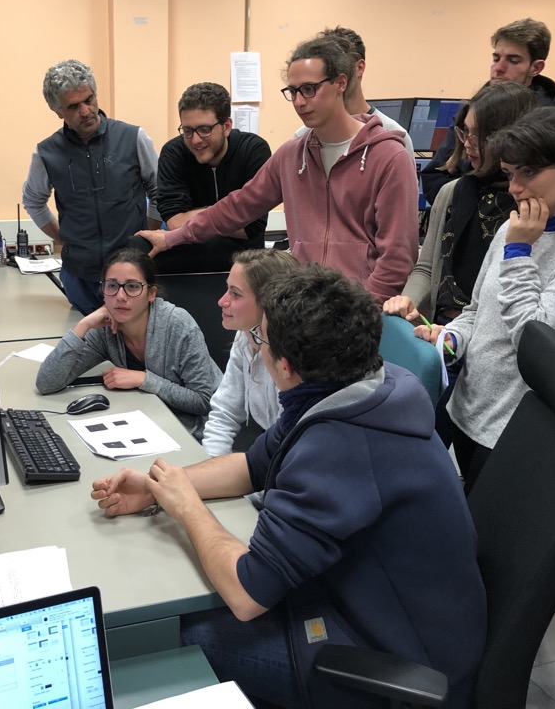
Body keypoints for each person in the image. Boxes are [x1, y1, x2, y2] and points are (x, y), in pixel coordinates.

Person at [90, 265, 486, 708]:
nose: (255, 350)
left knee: (168, 637)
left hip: (391, 657)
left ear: (284, 365)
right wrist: (160, 486)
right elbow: (254, 466)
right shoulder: (357, 384)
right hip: (369, 603)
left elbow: (246, 593)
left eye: (259, 340)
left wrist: (186, 508)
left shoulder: (340, 446)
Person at [417, 107, 555, 485]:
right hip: (467, 409)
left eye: (528, 173)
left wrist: (519, 252)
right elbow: (477, 312)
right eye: (510, 174)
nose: (515, 188)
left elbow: (535, 340)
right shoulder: (515, 228)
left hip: (518, 429)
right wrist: (450, 338)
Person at [137, 36, 417, 303]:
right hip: (305, 307)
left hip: (360, 317)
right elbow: (237, 207)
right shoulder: (292, 155)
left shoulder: (388, 156)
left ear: (340, 83)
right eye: (293, 91)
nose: (299, 102)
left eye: (309, 89)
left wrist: (359, 314)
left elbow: (396, 259)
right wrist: (173, 237)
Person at [383, 81, 537, 446]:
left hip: (494, 365)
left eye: (479, 135)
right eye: (464, 131)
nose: (467, 143)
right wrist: (407, 300)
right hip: (443, 342)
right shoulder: (454, 192)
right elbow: (426, 268)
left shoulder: (530, 211)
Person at [22, 59, 161, 315]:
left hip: (131, 273)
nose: (86, 111)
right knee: (87, 346)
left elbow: (159, 191)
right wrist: (62, 237)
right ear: (58, 111)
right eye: (73, 106)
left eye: (89, 99)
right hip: (80, 277)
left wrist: (146, 235)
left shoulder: (133, 138)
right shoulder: (46, 153)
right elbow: (33, 200)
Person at [35, 248, 221, 439]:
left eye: (132, 286)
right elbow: (46, 383)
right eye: (112, 286)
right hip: (149, 422)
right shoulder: (105, 331)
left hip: (198, 433)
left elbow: (204, 401)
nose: (120, 296)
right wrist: (84, 325)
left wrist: (143, 379)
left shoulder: (178, 325)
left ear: (151, 293)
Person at [421, 18, 555, 204]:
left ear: (536, 67)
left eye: (513, 60)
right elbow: (434, 178)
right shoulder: (471, 112)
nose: (498, 68)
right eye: (496, 58)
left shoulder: (551, 126)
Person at [154, 83, 272, 273]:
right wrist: (236, 214)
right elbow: (175, 222)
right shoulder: (173, 153)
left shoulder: (253, 151)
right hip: (192, 266)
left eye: (204, 129)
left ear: (226, 126)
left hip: (248, 268)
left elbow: (253, 226)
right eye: (187, 131)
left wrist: (192, 219)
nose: (195, 140)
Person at [200, 249, 299, 456]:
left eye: (235, 294)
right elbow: (223, 414)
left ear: (269, 302)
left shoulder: (294, 358)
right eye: (227, 290)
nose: (222, 301)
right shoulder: (245, 336)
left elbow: (288, 446)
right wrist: (209, 466)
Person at [292, 26, 417, 159]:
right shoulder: (302, 139)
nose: (332, 73)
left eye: (340, 65)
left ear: (359, 67)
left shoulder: (394, 136)